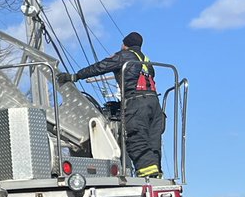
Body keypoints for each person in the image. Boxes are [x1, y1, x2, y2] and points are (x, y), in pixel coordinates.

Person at [57, 31, 165, 178]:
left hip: (137, 103)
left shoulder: (124, 56)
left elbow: (101, 67)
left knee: (136, 137)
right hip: (154, 104)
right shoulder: (146, 61)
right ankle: (156, 172)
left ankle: (148, 174)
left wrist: (76, 76)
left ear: (126, 45)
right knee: (153, 139)